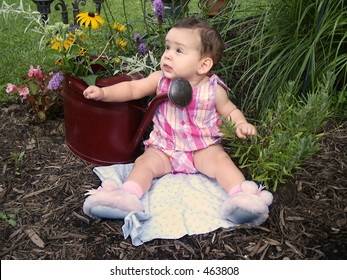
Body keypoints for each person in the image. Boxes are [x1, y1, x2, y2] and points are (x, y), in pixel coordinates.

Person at [83, 18, 273, 226]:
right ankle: (126, 196)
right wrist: (103, 93)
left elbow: (230, 110)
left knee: (222, 162)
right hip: (164, 148)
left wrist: (240, 124)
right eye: (167, 47)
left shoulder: (213, 89)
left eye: (179, 51)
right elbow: (132, 89)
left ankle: (241, 198)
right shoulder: (159, 80)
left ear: (203, 65)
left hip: (203, 149)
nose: (168, 55)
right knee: (143, 164)